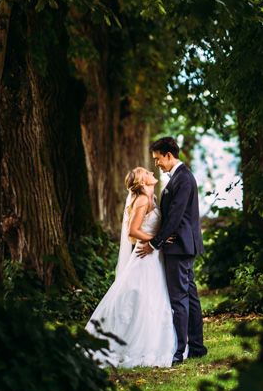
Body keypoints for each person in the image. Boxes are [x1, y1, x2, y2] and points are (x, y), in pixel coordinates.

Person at [84, 167, 176, 368]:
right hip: (145, 256)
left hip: (153, 255)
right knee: (141, 298)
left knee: (152, 298)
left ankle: (152, 341)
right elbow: (133, 232)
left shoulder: (150, 198)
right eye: (146, 172)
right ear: (142, 181)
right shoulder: (142, 200)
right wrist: (157, 240)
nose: (151, 171)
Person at [135, 137, 208, 364]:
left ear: (168, 154)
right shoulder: (177, 177)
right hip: (181, 245)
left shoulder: (183, 178)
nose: (156, 164)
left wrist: (155, 243)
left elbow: (175, 216)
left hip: (179, 246)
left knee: (179, 299)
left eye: (157, 159)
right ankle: (196, 347)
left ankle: (179, 351)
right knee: (191, 298)